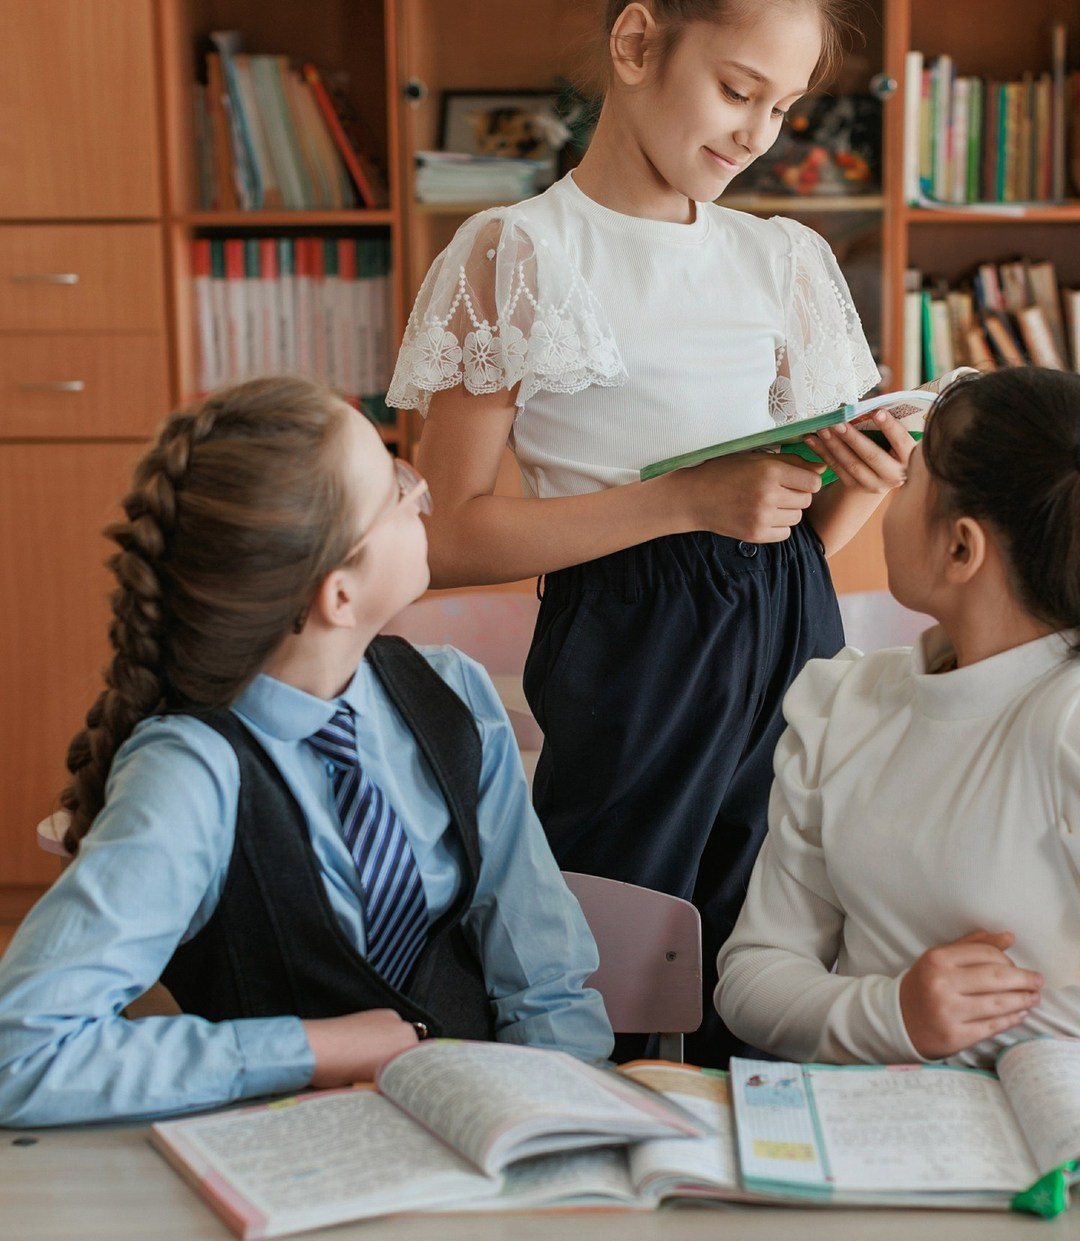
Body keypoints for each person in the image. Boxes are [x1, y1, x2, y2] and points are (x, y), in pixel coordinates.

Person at [387, 0, 910, 1067]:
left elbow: (799, 535)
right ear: (636, 46)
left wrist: (856, 476)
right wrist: (687, 501)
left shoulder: (784, 258)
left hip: (787, 624)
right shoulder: (521, 252)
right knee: (612, 947)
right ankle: (595, 1154)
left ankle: (753, 1169)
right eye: (735, 89)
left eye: (784, 107)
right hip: (633, 647)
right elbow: (442, 539)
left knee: (773, 928)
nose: (757, 132)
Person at [0, 377, 613, 1128]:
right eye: (395, 486)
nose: (420, 495)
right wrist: (313, 1048)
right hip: (278, 1165)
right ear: (339, 596)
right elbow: (20, 1055)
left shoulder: (456, 693)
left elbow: (544, 983)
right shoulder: (190, 773)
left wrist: (573, 1128)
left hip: (474, 1145)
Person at [715, 327, 1080, 1068]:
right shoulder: (841, 703)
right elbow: (753, 978)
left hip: (1041, 1139)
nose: (888, 489)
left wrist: (986, 1023)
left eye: (912, 478)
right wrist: (894, 1014)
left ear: (961, 548)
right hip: (856, 1138)